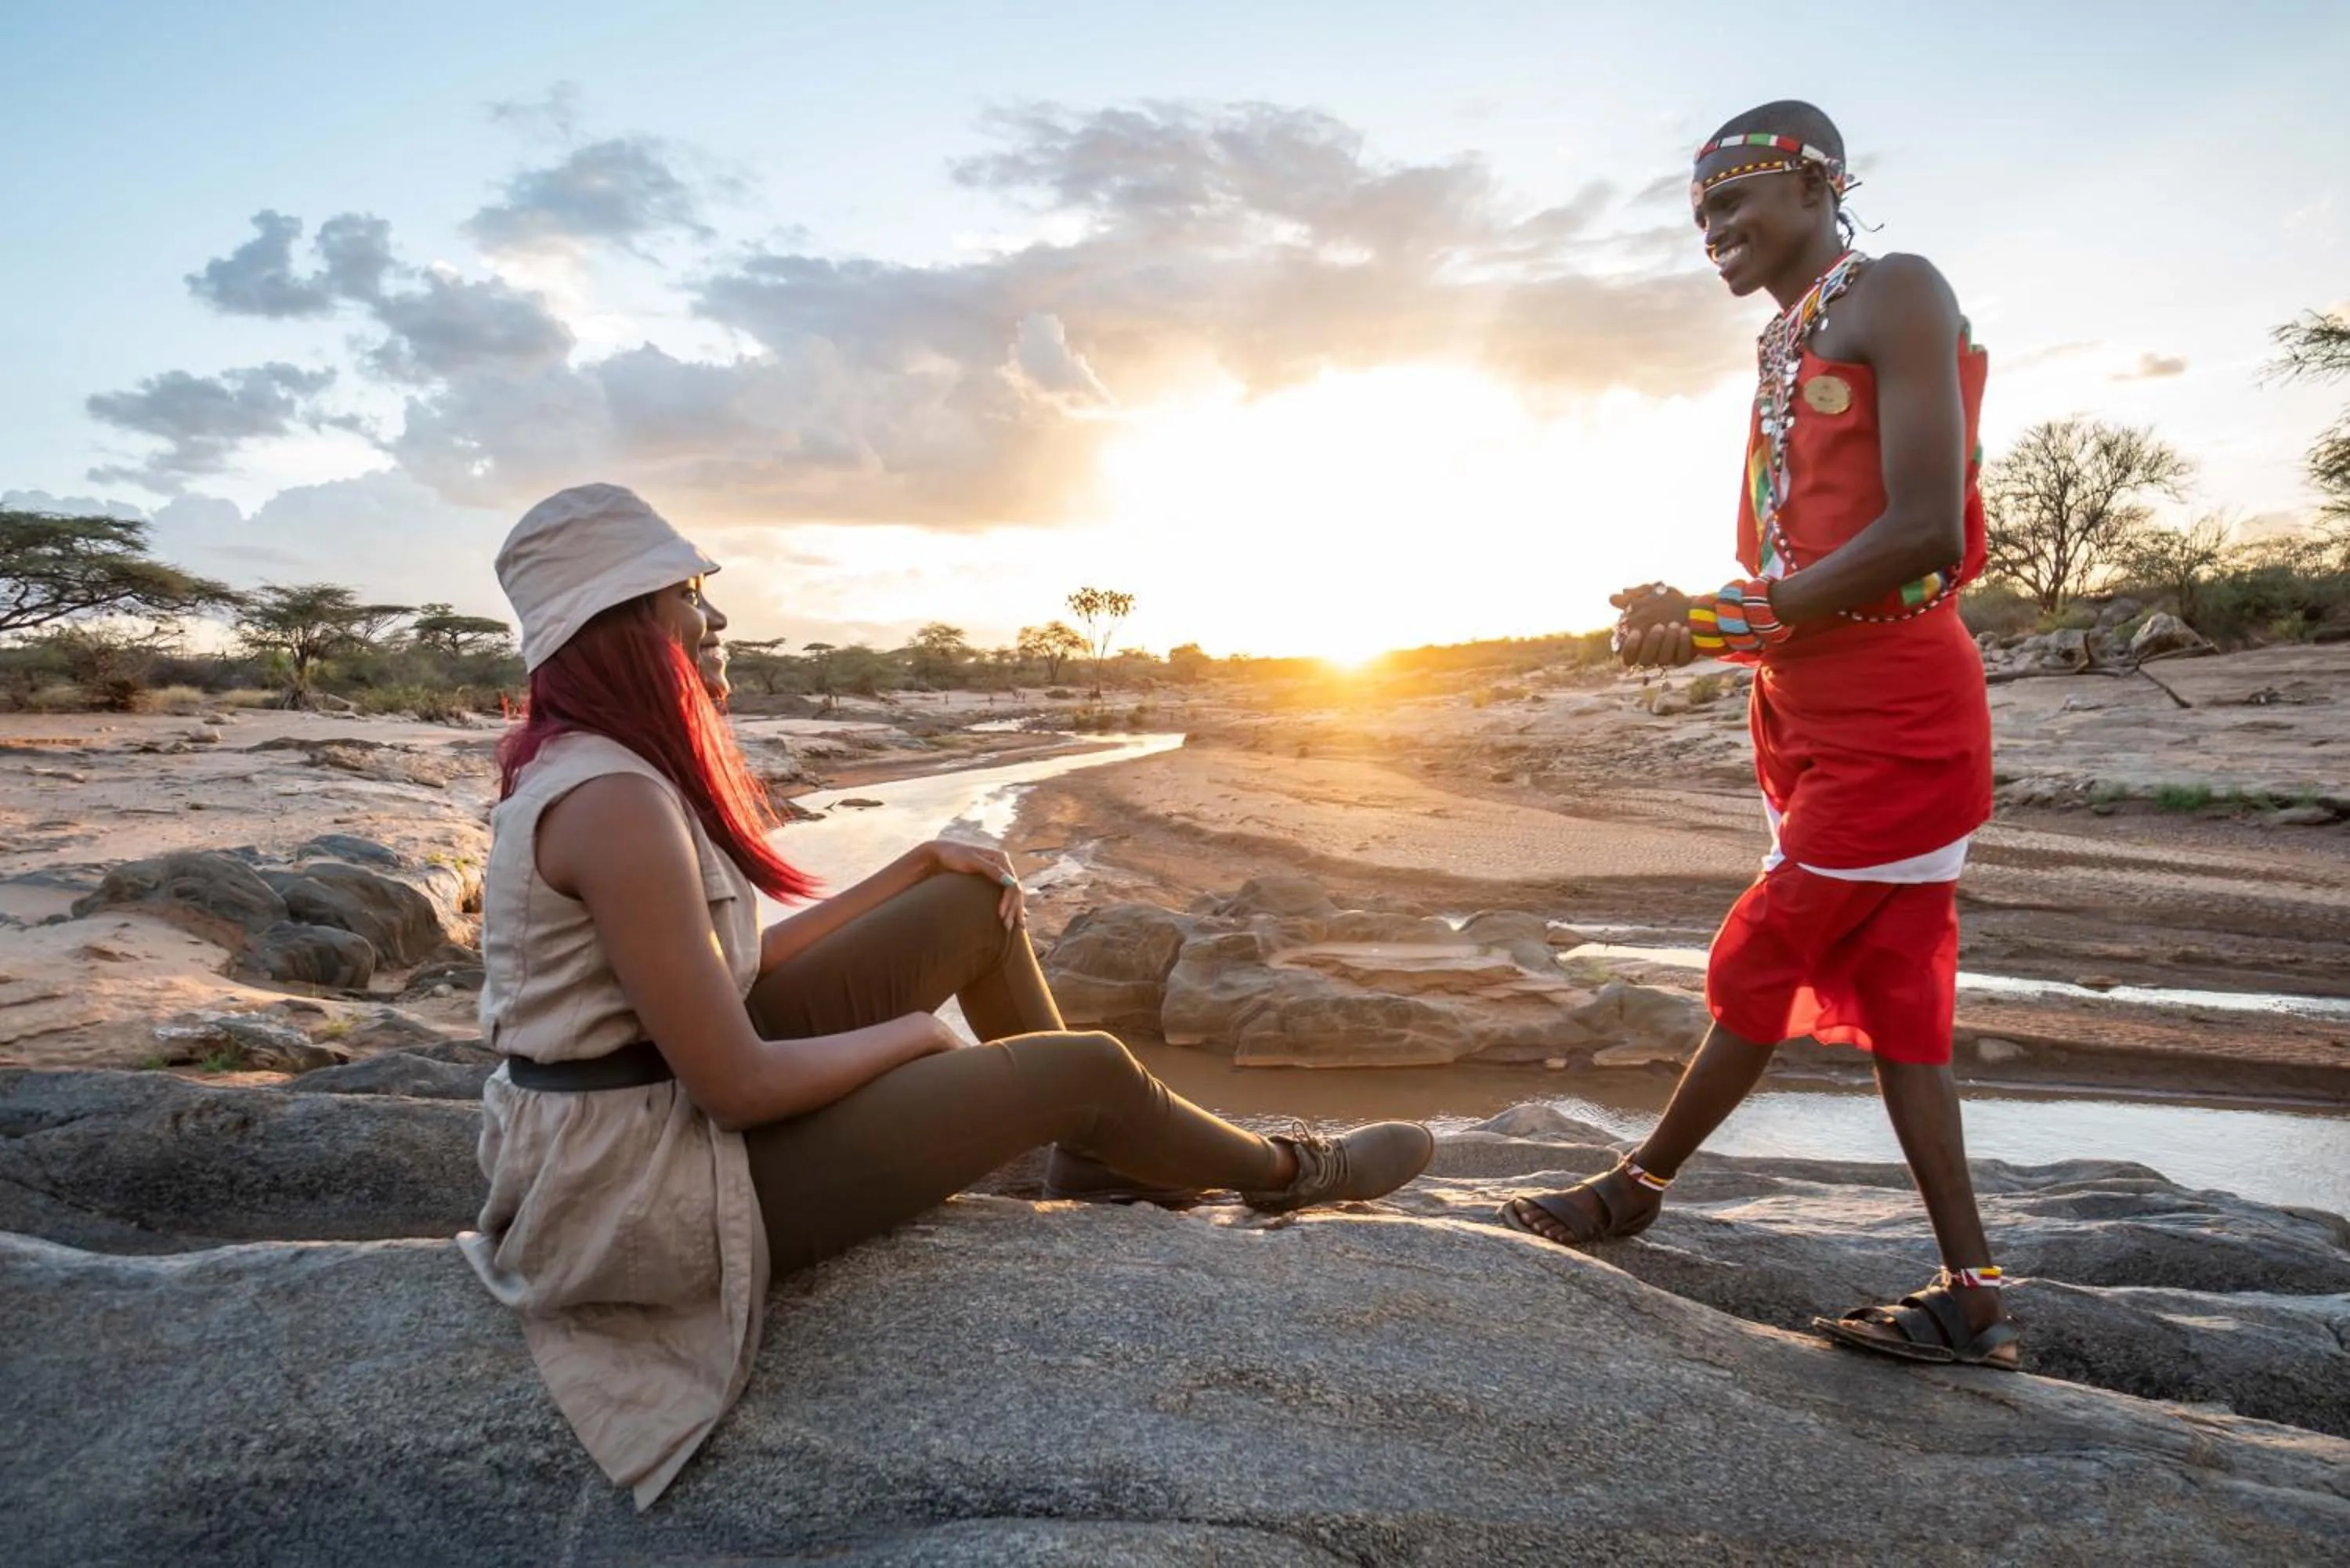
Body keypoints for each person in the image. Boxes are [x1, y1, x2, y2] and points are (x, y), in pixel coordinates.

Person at [457, 483, 1436, 1508]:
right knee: (1090, 1067)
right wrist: (915, 1034)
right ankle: (1286, 1171)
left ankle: (1096, 1158)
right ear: (628, 624)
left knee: (971, 902)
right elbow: (735, 1084)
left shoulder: (608, 771)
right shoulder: (612, 800)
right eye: (692, 590)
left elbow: (727, 976)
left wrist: (920, 862)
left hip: (658, 1114)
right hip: (647, 1183)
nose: (716, 617)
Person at [1501, 103, 2019, 1371]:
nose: (1717, 232)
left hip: (1900, 715)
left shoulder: (1896, 290)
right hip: (1811, 711)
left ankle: (1637, 1185)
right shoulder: (1785, 338)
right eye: (1701, 216)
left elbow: (1923, 540)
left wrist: (1730, 611)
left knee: (1771, 943)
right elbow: (1808, 563)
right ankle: (1974, 1287)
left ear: (1817, 183)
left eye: (1738, 203)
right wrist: (1693, 621)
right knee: (1903, 1000)